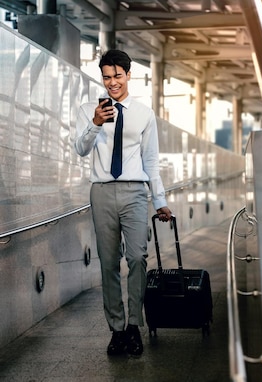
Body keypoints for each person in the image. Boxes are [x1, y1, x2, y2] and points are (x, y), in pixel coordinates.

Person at [74, 49, 172, 357]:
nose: (112, 82)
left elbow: (151, 159)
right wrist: (94, 123)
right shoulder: (89, 109)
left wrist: (160, 200)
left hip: (133, 191)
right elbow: (80, 148)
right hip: (101, 192)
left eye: (118, 76)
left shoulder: (144, 113)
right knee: (108, 263)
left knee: (137, 258)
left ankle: (134, 325)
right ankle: (117, 330)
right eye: (106, 77)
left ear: (129, 75)